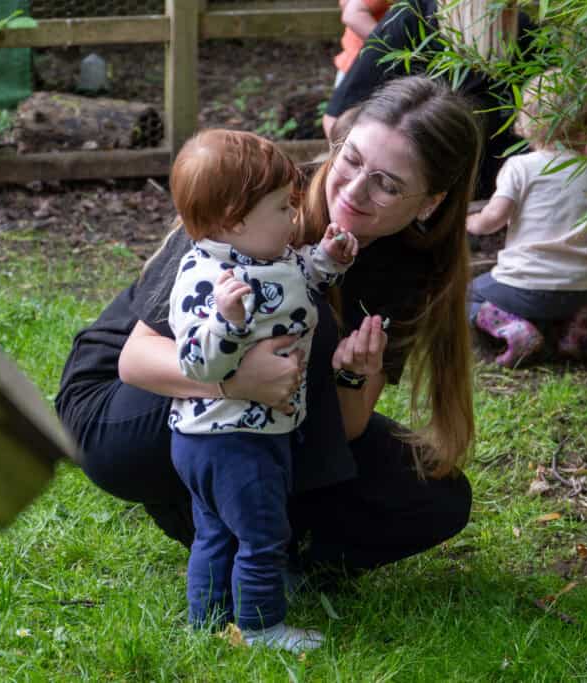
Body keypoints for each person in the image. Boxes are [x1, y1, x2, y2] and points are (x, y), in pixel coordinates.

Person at [55, 76, 478, 617]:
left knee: (437, 496)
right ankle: (212, 516)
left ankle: (256, 539)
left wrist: (353, 373)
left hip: (267, 411)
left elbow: (344, 426)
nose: (353, 191)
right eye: (351, 160)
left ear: (430, 203)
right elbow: (136, 361)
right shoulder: (254, 193)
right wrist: (236, 381)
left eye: (387, 185)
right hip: (120, 411)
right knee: (309, 323)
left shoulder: (413, 273)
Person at [165, 129, 357, 652]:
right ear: (234, 220)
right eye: (281, 208)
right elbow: (196, 362)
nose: (294, 217)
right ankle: (260, 626)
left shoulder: (267, 256)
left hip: (243, 435)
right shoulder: (207, 279)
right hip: (228, 441)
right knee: (263, 535)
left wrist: (329, 257)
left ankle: (207, 623)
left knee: (217, 533)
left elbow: (298, 278)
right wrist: (226, 322)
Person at [466, 69, 587, 368]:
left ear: (528, 118)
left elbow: (494, 219)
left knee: (466, 294)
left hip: (526, 287)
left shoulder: (521, 167)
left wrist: (471, 221)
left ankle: (515, 329)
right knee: (574, 287)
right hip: (582, 288)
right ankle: (572, 331)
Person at [323, 0, 535, 200]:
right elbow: (339, 117)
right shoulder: (414, 18)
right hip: (404, 199)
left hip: (491, 201)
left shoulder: (526, 35)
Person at [333, 0, 391, 89]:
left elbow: (345, 4)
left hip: (354, 64)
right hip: (365, 69)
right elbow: (352, 15)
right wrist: (390, 46)